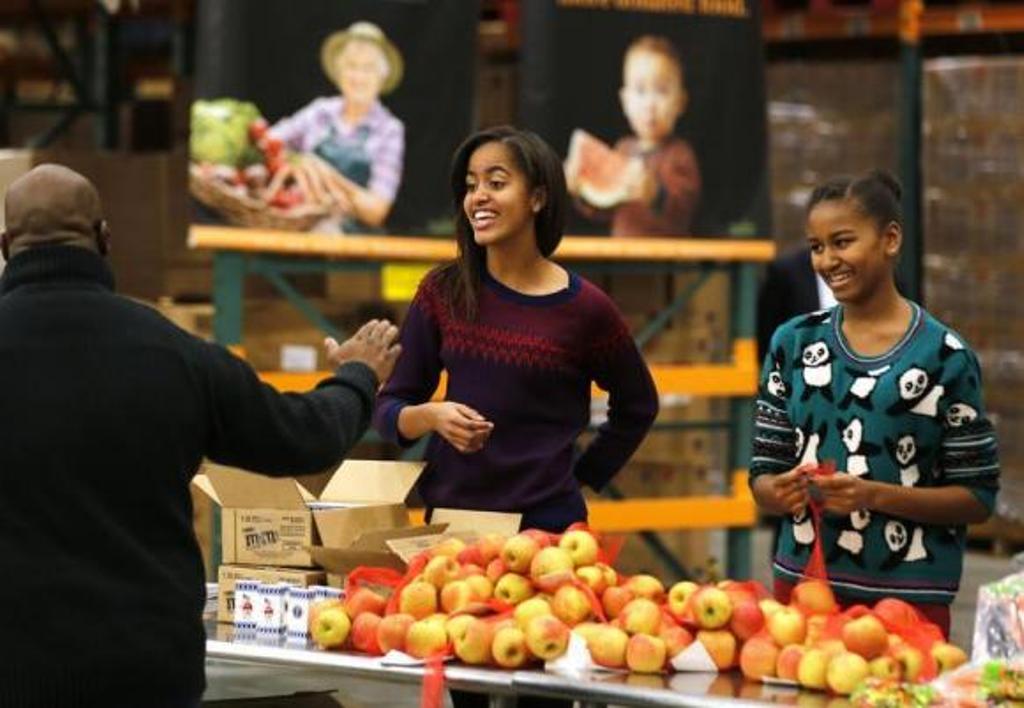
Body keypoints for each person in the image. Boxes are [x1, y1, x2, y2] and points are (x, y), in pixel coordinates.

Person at [0, 164, 401, 707]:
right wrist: (358, 375)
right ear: (104, 239)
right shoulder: (174, 355)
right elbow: (303, 438)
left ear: (5, 245)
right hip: (147, 667)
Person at [374, 125, 659, 534]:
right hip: (454, 529)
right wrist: (431, 416)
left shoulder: (586, 308)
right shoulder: (443, 292)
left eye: (497, 182)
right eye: (471, 185)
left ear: (538, 198)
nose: (479, 197)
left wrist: (580, 476)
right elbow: (388, 409)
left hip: (549, 532)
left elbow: (639, 405)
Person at [749, 170, 999, 637]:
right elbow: (762, 472)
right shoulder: (792, 343)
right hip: (803, 597)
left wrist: (873, 496)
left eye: (842, 242)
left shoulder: (945, 356)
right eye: (816, 246)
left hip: (908, 610)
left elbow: (978, 498)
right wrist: (776, 491)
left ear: (890, 239)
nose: (826, 260)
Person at [270, 21, 405, 231]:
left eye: (368, 68)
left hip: (356, 247)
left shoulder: (389, 129)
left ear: (382, 77)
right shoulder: (319, 112)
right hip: (300, 226)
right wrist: (296, 161)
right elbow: (266, 143)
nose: (358, 77)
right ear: (339, 72)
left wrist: (327, 177)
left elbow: (376, 211)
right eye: (351, 66)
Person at [565, 35, 700, 236]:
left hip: (667, 261)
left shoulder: (680, 154)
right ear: (625, 102)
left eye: (661, 91)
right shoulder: (623, 149)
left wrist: (656, 194)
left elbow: (685, 209)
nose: (650, 104)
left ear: (680, 102)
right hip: (622, 257)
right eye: (640, 90)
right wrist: (580, 191)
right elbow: (604, 209)